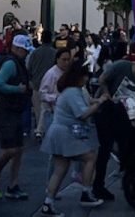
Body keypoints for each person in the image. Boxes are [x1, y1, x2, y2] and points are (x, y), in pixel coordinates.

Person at [39, 61, 108, 216]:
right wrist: (100, 103)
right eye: (85, 76)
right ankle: (86, 192)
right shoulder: (73, 92)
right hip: (65, 133)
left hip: (59, 133)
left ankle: (48, 203)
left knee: (60, 169)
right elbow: (82, 113)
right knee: (90, 157)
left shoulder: (71, 91)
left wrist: (96, 102)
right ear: (79, 77)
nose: (86, 79)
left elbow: (85, 104)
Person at [91, 54, 135, 202]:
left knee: (128, 148)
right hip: (107, 110)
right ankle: (98, 185)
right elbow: (102, 80)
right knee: (105, 148)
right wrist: (106, 94)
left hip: (124, 116)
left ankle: (131, 182)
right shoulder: (121, 66)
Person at [0, 34, 32, 201]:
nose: (27, 53)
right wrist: (17, 89)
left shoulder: (18, 64)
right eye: (25, 50)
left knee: (18, 149)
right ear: (17, 48)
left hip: (16, 109)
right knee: (10, 150)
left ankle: (13, 185)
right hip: (7, 110)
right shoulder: (11, 64)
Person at [27, 30, 57, 139]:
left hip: (36, 83)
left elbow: (29, 68)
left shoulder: (35, 53)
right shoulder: (55, 53)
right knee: (49, 109)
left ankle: (40, 131)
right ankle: (46, 130)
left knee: (38, 109)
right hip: (51, 86)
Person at [39, 49, 73, 137]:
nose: (66, 62)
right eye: (64, 59)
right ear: (57, 59)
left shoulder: (68, 73)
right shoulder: (51, 74)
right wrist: (56, 98)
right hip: (52, 113)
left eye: (68, 59)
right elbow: (42, 94)